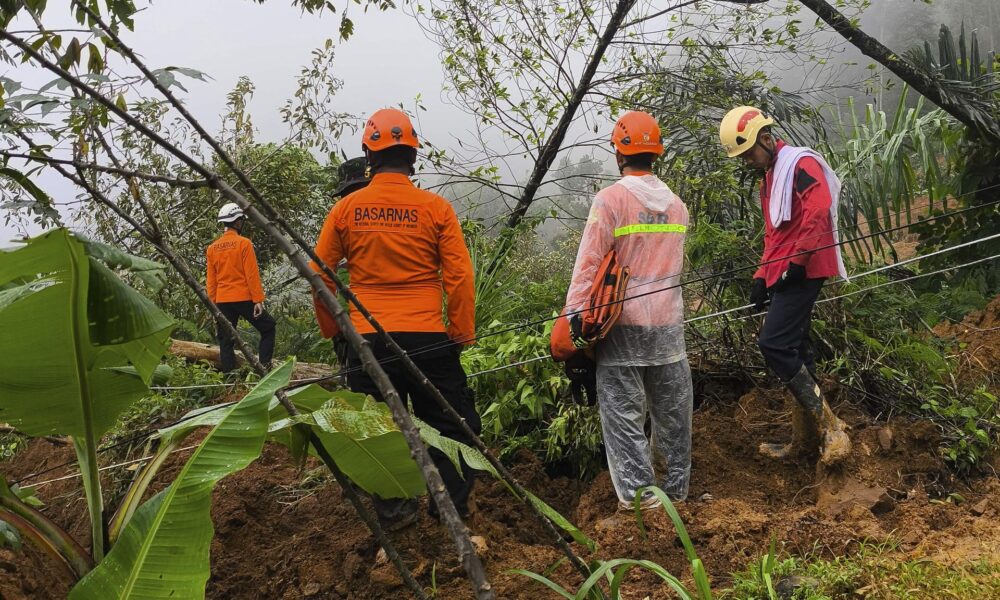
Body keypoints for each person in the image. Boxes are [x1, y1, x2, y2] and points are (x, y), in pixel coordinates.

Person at [313, 108, 479, 530]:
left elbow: (320, 275)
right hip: (428, 338)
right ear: (413, 156)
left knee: (376, 431)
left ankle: (396, 514)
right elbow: (459, 275)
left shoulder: (346, 209)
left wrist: (337, 330)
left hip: (368, 339)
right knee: (451, 424)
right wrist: (459, 333)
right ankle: (451, 510)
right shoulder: (436, 208)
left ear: (369, 156)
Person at [565, 111, 693, 511]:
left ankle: (641, 506)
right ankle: (675, 496)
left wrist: (575, 318)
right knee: (673, 416)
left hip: (620, 326)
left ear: (619, 152)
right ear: (657, 153)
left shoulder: (610, 200)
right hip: (668, 325)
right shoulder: (677, 206)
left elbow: (589, 263)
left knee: (623, 418)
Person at [719, 105, 851, 465]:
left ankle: (833, 430)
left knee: (774, 344)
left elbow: (818, 210)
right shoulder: (771, 176)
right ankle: (805, 444)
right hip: (787, 270)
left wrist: (797, 262)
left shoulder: (800, 165)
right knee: (798, 352)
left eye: (748, 153)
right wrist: (761, 278)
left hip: (806, 269)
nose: (747, 161)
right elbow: (774, 235)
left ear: (765, 138)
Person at [206, 203, 276, 372]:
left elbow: (211, 281)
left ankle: (229, 379)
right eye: (241, 220)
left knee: (225, 339)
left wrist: (213, 306)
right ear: (237, 222)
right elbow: (251, 275)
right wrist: (258, 300)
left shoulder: (212, 248)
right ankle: (264, 368)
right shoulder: (244, 244)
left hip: (222, 300)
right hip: (244, 297)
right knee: (268, 328)